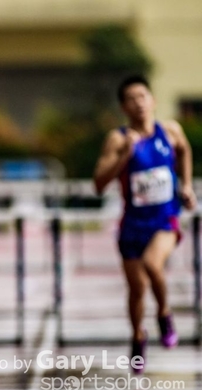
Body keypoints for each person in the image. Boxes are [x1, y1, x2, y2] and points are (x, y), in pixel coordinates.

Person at [93, 75, 197, 374]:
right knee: (137, 289)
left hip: (165, 218)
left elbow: (184, 151)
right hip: (133, 224)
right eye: (132, 99)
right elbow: (99, 184)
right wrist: (124, 155)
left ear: (152, 100)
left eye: (143, 96)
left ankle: (164, 313)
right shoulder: (118, 139)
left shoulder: (170, 131)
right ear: (123, 106)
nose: (139, 103)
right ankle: (138, 336)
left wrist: (186, 186)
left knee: (154, 265)